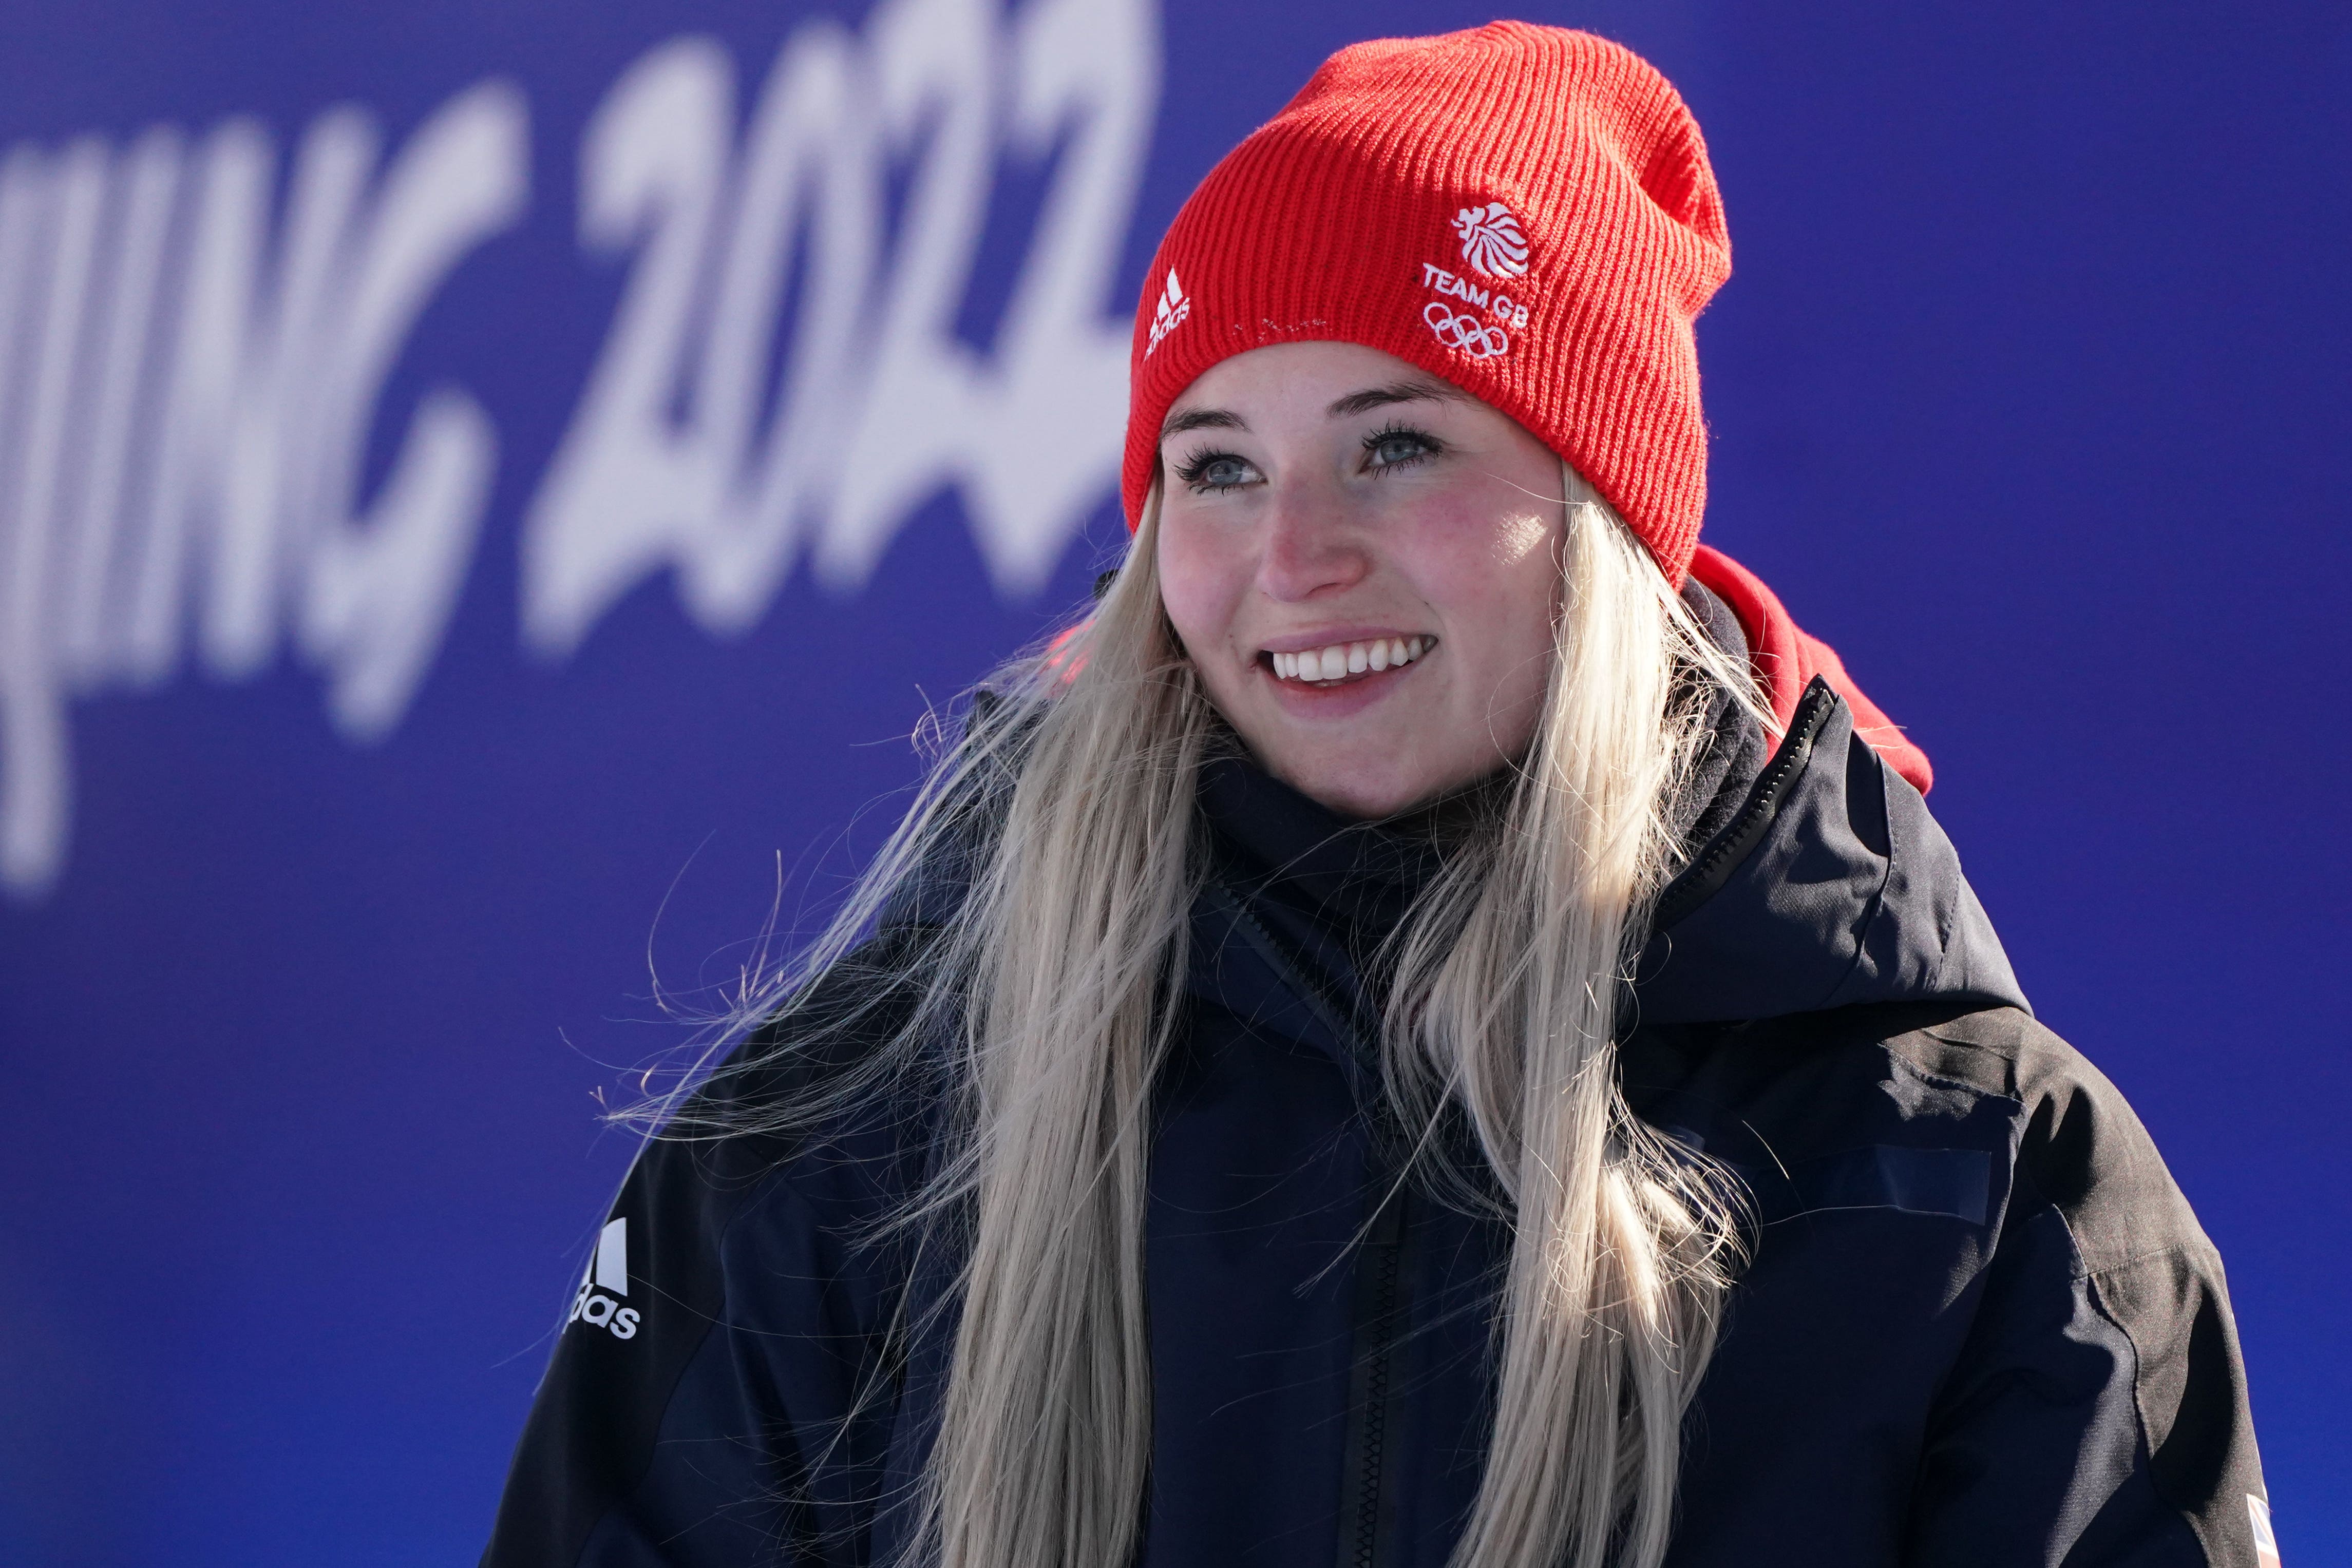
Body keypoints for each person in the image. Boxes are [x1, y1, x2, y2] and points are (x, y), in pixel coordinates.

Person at [484, 23, 2273, 1568]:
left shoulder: (1968, 1172)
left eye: (1396, 444)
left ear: (1602, 524)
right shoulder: (856, 1140)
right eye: (1215, 466)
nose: (1292, 557)